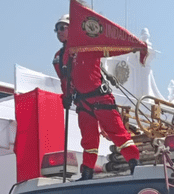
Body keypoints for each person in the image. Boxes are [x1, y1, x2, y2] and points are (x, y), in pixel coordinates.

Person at [53, 12, 140, 180]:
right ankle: (87, 171)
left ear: (73, 28)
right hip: (83, 102)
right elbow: (65, 80)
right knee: (88, 141)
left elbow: (110, 46)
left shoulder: (88, 45)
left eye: (62, 28)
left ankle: (134, 162)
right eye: (56, 29)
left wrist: (133, 46)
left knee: (117, 133)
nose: (59, 32)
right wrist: (66, 96)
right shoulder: (59, 57)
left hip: (100, 98)